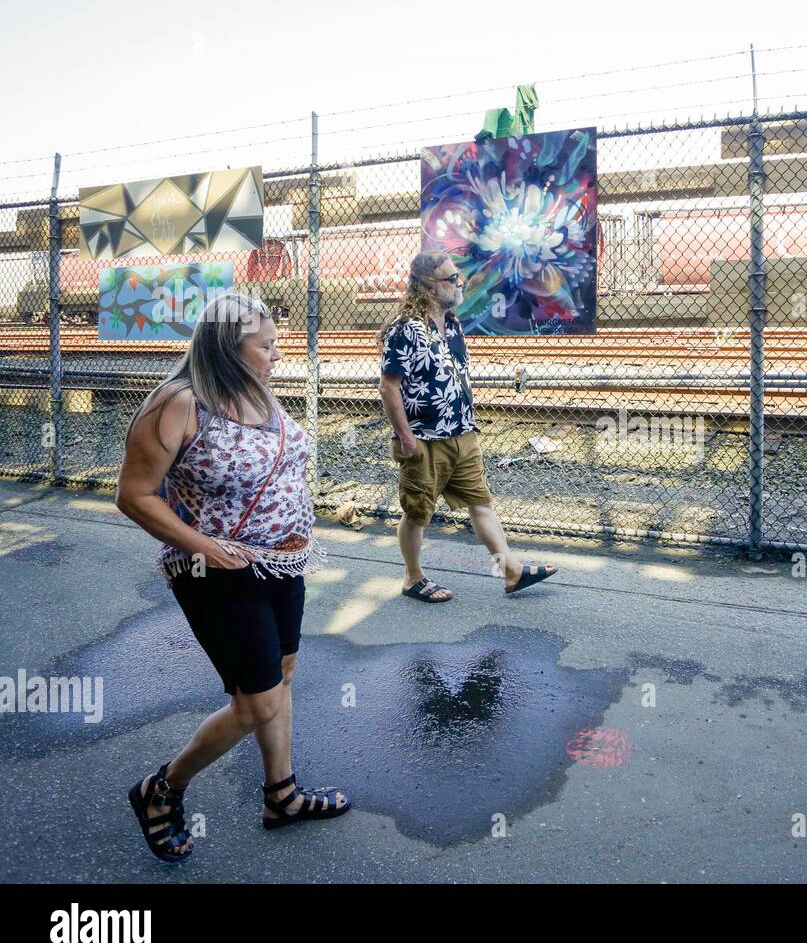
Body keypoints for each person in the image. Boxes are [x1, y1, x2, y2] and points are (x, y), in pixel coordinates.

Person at [115, 293, 348, 863]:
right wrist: (206, 549)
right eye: (265, 345)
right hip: (217, 573)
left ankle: (281, 796)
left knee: (281, 678)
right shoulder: (178, 402)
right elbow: (134, 495)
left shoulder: (253, 388)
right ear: (227, 347)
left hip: (284, 563)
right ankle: (160, 789)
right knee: (254, 705)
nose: (277, 353)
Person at [376, 252, 557, 603]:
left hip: (462, 433)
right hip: (424, 439)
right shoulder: (405, 328)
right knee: (418, 513)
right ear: (427, 286)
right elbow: (388, 387)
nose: (459, 283)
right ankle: (412, 578)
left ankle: (511, 572)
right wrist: (405, 437)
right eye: (450, 279)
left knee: (481, 503)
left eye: (457, 277)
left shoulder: (453, 323)